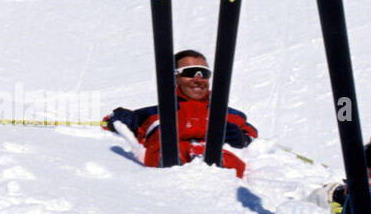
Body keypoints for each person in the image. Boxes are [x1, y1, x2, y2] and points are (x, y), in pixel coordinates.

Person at [103, 50, 257, 178]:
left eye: (204, 73)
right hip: (168, 178)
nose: (198, 79)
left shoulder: (228, 115)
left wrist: (242, 138)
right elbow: (109, 125)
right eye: (190, 72)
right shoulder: (153, 114)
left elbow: (255, 138)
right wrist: (119, 118)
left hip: (220, 181)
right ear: (174, 77)